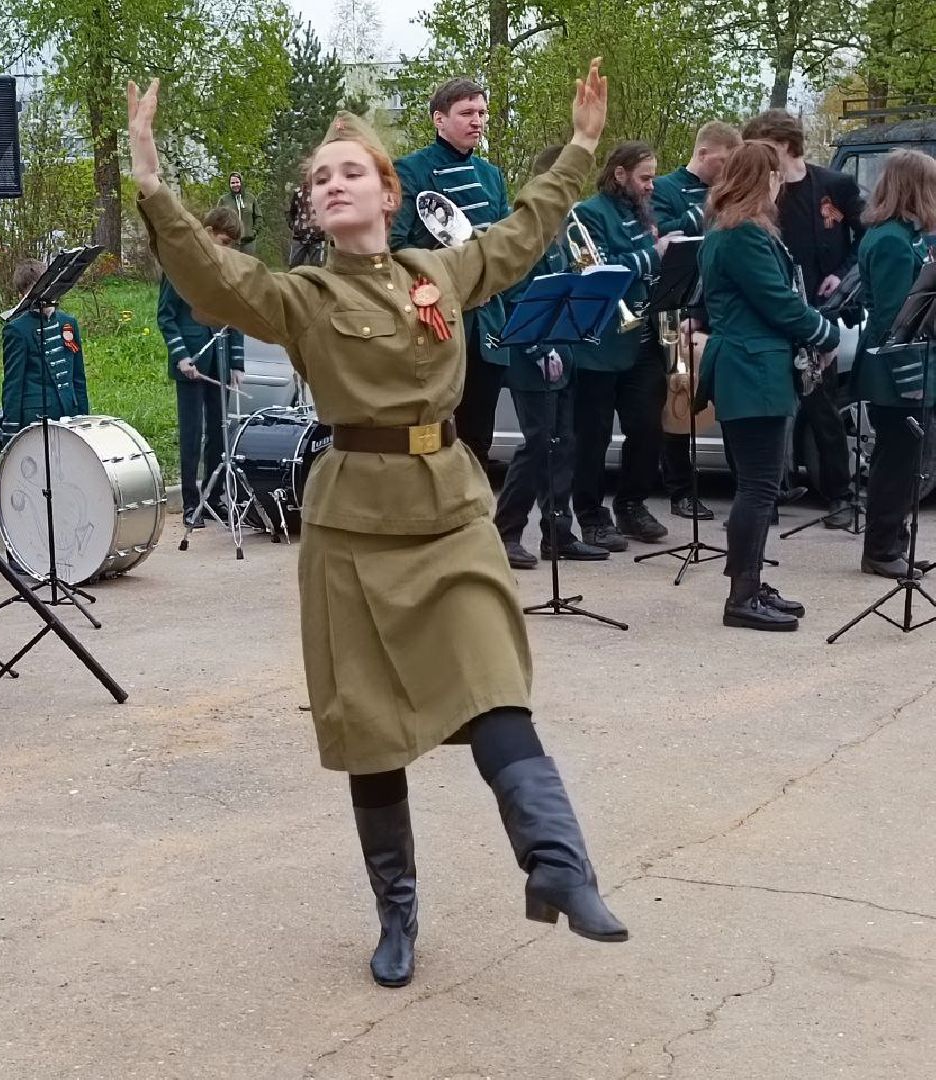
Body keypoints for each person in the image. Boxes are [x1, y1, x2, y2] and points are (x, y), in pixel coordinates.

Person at [129, 59, 627, 991]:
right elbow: (215, 277)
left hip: (450, 512)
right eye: (319, 179)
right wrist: (152, 182)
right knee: (371, 727)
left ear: (388, 193)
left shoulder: (440, 271)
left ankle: (559, 864)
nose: (331, 184)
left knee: (492, 684)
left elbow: (524, 232)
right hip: (354, 529)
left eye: (349, 170)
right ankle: (395, 914)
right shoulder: (303, 298)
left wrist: (582, 146)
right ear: (313, 210)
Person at [697, 142, 840, 631]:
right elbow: (777, 302)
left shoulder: (735, 231)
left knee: (760, 486)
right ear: (766, 180)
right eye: (777, 177)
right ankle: (741, 597)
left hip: (752, 365)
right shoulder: (741, 236)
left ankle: (751, 583)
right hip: (751, 367)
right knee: (758, 487)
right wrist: (825, 332)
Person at [743, 109, 866, 528]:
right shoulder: (763, 192)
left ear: (786, 144)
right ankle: (770, 494)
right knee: (772, 410)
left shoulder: (835, 186)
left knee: (823, 408)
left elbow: (864, 242)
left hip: (820, 308)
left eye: (767, 148)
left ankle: (841, 495)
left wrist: (842, 275)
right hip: (775, 310)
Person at [493, 144, 610, 569]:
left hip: (563, 351)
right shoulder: (526, 229)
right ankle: (506, 531)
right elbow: (517, 295)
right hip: (530, 354)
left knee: (564, 444)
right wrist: (542, 347)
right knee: (538, 443)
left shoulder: (560, 230)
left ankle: (558, 533)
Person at [391, 77, 511, 475]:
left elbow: (506, 248)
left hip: (487, 324)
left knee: (479, 438)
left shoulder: (492, 175)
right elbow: (394, 245)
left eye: (481, 113)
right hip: (436, 320)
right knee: (432, 435)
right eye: (466, 113)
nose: (477, 121)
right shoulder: (410, 170)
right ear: (439, 120)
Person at [568, 141, 672, 550]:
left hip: (643, 341)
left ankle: (632, 504)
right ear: (620, 175)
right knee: (591, 438)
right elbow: (594, 268)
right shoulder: (587, 214)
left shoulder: (643, 214)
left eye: (653, 177)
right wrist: (654, 253)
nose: (651, 186)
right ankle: (591, 516)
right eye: (645, 177)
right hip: (599, 343)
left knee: (647, 430)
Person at [851, 150, 936, 578]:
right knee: (896, 463)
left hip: (905, 367)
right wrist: (912, 381)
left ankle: (893, 543)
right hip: (898, 371)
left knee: (904, 461)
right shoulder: (890, 241)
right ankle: (882, 550)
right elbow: (893, 318)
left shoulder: (901, 236)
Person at [652, 121, 742, 521]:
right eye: (725, 160)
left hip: (718, 309)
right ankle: (680, 489)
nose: (728, 170)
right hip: (675, 311)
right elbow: (659, 235)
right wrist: (707, 211)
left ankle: (749, 484)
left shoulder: (728, 192)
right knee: (681, 395)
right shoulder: (665, 188)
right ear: (704, 153)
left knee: (728, 398)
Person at [156, 207, 246, 528]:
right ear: (207, 231)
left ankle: (214, 496)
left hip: (219, 359)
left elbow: (235, 314)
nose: (227, 248)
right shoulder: (179, 264)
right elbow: (166, 317)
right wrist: (181, 356)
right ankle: (192, 502)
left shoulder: (226, 267)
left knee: (220, 433)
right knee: (192, 435)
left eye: (232, 245)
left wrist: (236, 362)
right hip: (191, 360)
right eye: (223, 241)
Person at [0, 258, 90, 445]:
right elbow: (13, 384)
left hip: (68, 411)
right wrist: (11, 430)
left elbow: (78, 377)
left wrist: (83, 416)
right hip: (37, 417)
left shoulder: (68, 323)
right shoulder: (17, 330)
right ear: (22, 296)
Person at [286, 178, 326, 267]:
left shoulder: (322, 191)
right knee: (294, 266)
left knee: (317, 268)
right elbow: (292, 212)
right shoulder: (298, 192)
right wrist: (293, 225)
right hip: (299, 237)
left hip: (317, 237)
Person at [217, 172, 259, 253]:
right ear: (229, 184)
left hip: (248, 242)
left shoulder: (250, 198)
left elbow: (258, 216)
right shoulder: (224, 200)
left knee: (248, 265)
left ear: (241, 183)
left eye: (237, 182)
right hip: (230, 242)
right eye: (232, 183)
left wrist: (254, 231)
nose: (235, 185)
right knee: (232, 265)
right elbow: (218, 219)